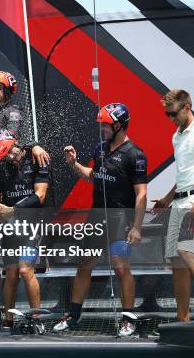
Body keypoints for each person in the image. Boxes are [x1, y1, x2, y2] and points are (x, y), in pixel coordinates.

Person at [54, 103, 147, 337]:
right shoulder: (100, 149)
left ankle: (128, 319)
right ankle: (74, 316)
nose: (102, 128)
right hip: (96, 218)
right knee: (83, 265)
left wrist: (137, 226)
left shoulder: (135, 154)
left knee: (120, 268)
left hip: (120, 219)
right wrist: (73, 163)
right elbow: (93, 177)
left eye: (105, 124)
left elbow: (142, 193)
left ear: (118, 125)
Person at [152, 90, 194, 321]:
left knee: (184, 248)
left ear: (187, 107)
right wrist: (166, 199)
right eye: (166, 115)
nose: (171, 119)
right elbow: (183, 175)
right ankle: (183, 319)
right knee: (175, 259)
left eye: (173, 114)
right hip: (180, 201)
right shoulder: (177, 136)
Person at [0, 129, 49, 334]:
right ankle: (7, 320)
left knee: (24, 269)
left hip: (32, 224)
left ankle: (37, 319)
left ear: (16, 143)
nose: (10, 157)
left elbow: (40, 195)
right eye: (4, 155)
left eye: (11, 152)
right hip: (10, 226)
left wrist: (13, 209)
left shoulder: (37, 156)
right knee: (10, 273)